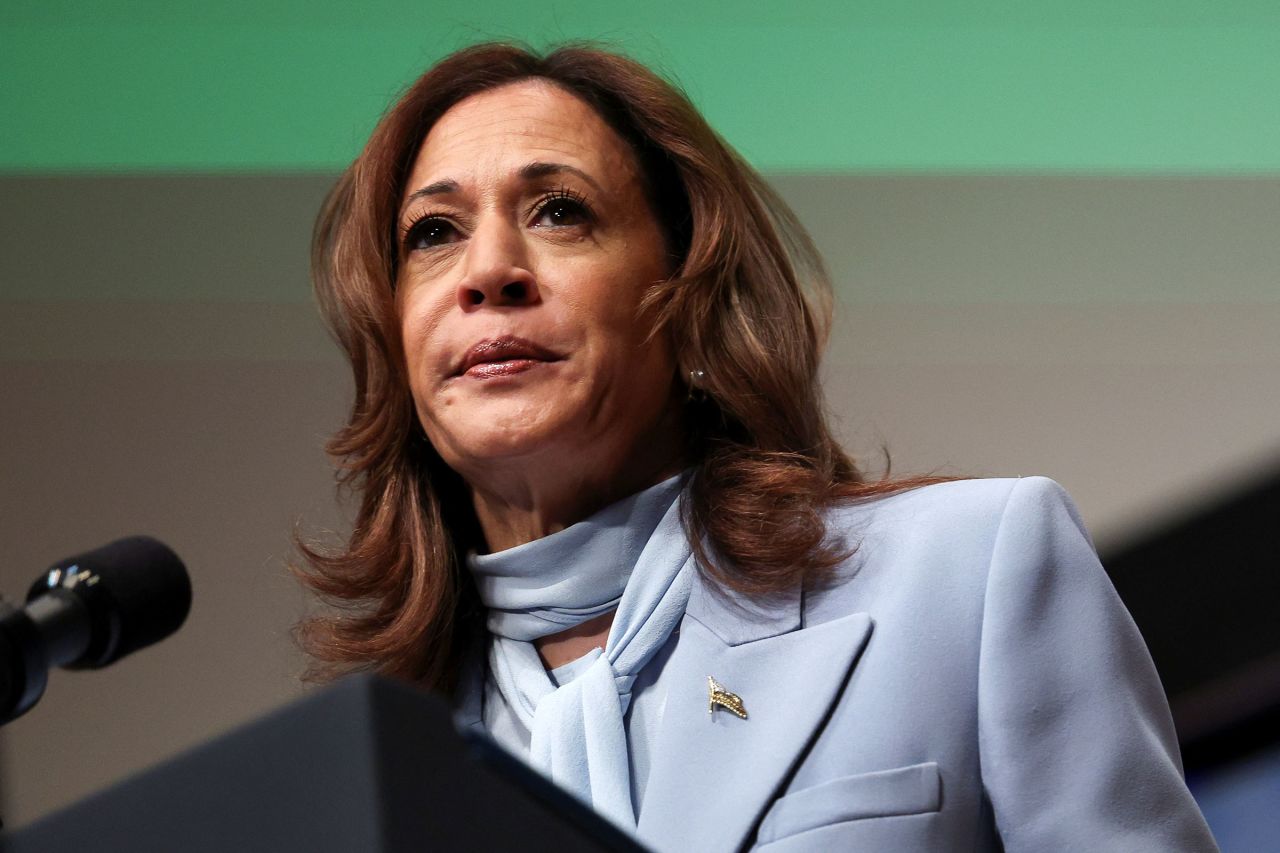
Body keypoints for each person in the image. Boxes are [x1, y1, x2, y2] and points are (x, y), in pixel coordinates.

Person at [296, 42, 1217, 851]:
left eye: (559, 212)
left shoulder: (970, 573)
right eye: (433, 233)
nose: (489, 271)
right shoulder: (362, 775)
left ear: (689, 296)